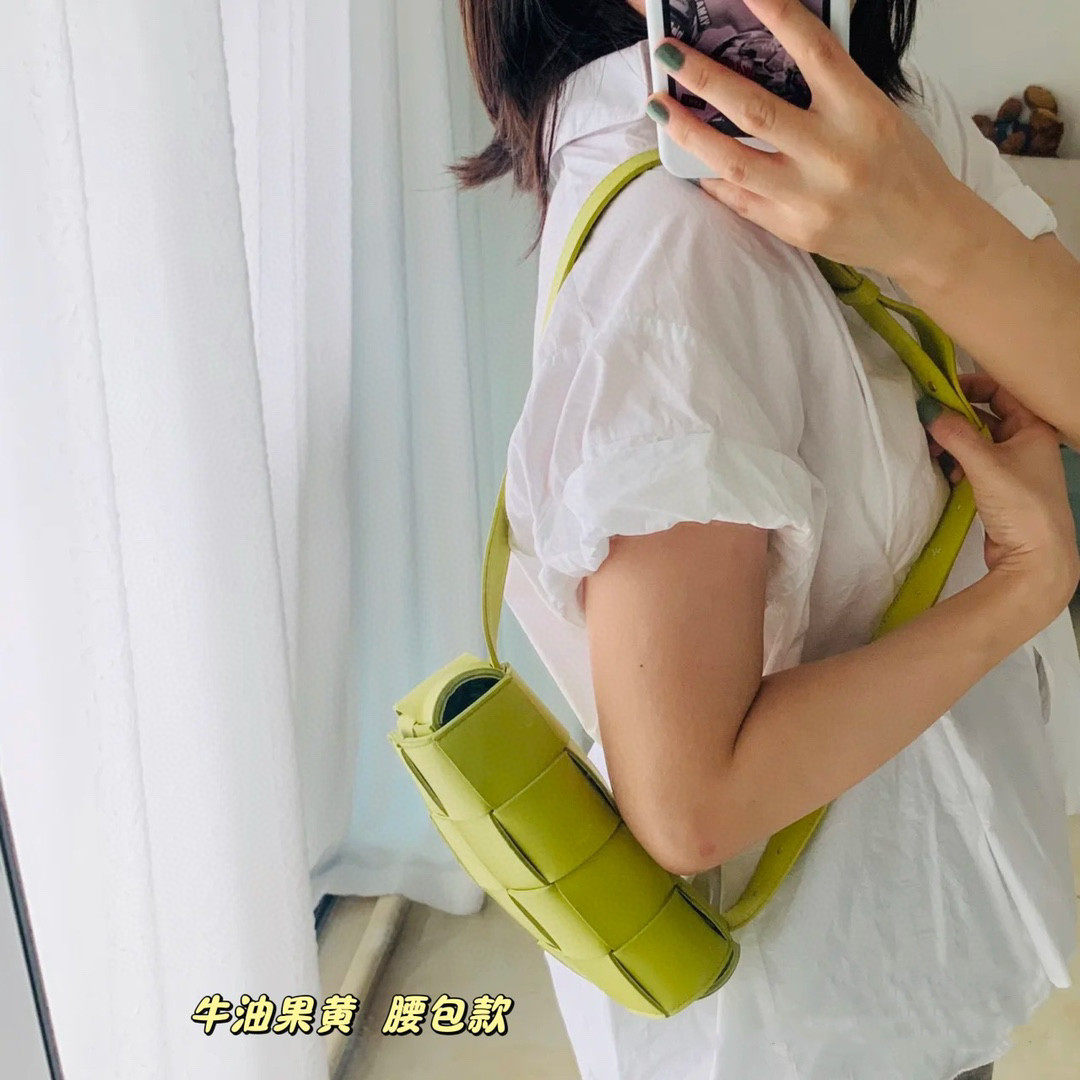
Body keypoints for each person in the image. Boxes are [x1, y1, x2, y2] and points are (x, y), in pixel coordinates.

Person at [451, 1, 1080, 1078]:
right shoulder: (678, 241)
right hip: (811, 1006)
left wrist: (923, 228)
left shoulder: (894, 117)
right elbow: (689, 804)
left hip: (918, 928)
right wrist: (1024, 588)